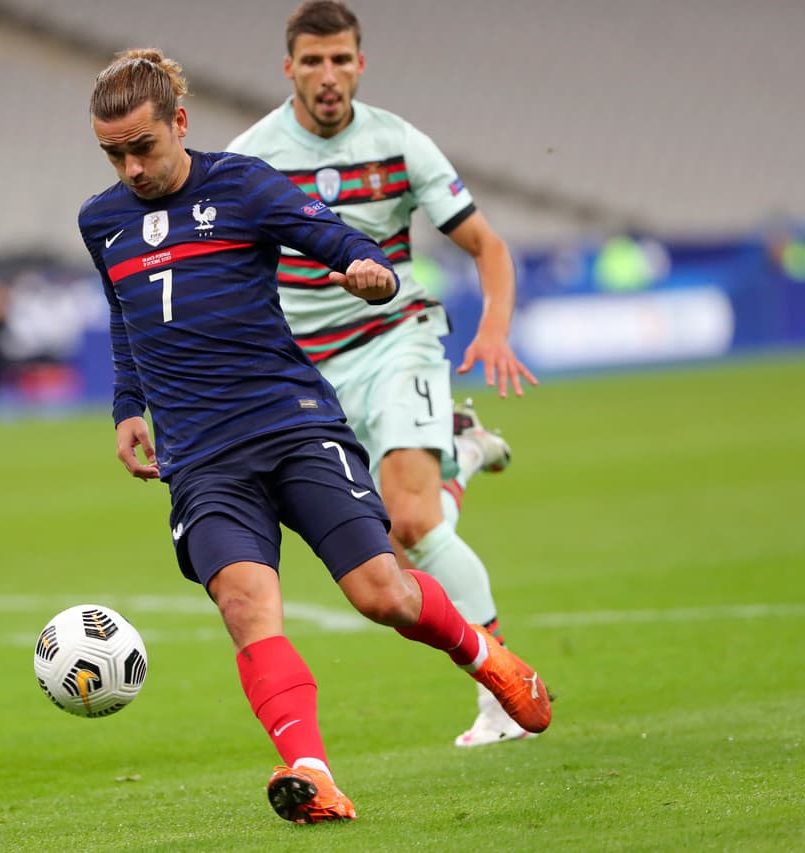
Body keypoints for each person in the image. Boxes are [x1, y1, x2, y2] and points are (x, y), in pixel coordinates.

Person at [79, 47, 550, 825]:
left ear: (180, 123)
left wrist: (369, 269)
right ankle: (311, 771)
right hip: (201, 459)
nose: (131, 168)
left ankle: (484, 654)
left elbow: (340, 241)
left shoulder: (244, 185)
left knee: (382, 593)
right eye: (113, 154)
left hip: (291, 426)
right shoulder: (101, 221)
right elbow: (123, 317)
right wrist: (129, 404)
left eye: (143, 147)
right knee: (245, 604)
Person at [227, 0, 542, 748]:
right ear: (289, 68)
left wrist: (494, 328)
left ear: (360, 64)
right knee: (387, 558)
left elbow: (488, 246)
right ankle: (460, 455)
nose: (328, 75)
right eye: (313, 61)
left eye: (341, 60)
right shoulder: (251, 157)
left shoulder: (398, 143)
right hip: (307, 371)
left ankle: (500, 694)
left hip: (397, 338)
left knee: (416, 524)